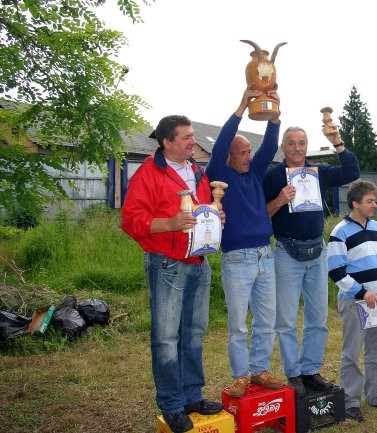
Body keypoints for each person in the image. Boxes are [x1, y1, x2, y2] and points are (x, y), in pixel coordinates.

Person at [121, 115, 225, 433]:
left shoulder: (198, 173)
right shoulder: (148, 174)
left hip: (199, 263)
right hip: (166, 263)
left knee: (193, 335)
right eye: (186, 137)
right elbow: (130, 220)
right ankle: (172, 405)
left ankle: (192, 396)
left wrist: (215, 216)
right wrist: (170, 224)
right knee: (167, 339)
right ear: (167, 142)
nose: (193, 141)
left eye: (193, 136)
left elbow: (200, 214)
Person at [263, 125, 360, 396]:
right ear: (283, 146)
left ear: (307, 146)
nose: (297, 147)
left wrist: (338, 143)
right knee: (286, 320)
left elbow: (352, 173)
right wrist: (280, 200)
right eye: (291, 142)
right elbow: (261, 214)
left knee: (318, 318)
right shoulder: (271, 176)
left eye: (302, 142)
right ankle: (293, 373)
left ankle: (310, 371)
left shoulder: (319, 172)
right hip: (286, 254)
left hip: (318, 253)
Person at [204, 88, 283, 397]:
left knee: (267, 320)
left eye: (250, 151)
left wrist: (274, 114)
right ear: (229, 157)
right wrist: (241, 107)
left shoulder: (255, 171)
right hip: (237, 258)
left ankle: (260, 370)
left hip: (266, 255)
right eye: (243, 152)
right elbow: (224, 139)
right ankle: (240, 375)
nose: (249, 156)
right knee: (238, 324)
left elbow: (270, 145)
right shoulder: (218, 171)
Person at [327, 179, 377, 422]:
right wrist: (361, 292)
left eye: (374, 200)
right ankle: (350, 402)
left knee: (376, 351)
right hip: (355, 302)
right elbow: (336, 271)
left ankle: (375, 396)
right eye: (370, 201)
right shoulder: (339, 232)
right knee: (351, 353)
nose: (374, 205)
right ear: (355, 203)